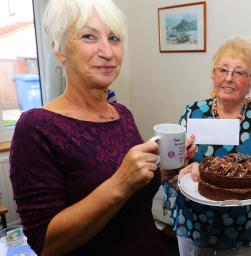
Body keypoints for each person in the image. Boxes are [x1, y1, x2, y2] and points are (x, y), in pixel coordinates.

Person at [9, 1, 194, 255]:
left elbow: (136, 189)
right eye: (89, 36)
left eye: (114, 38)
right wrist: (120, 183)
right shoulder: (37, 127)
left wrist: (168, 169)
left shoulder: (122, 114)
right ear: (58, 48)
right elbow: (46, 243)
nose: (107, 52)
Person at [163, 38, 251, 256]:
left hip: (242, 228)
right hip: (194, 222)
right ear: (213, 73)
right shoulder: (193, 112)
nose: (228, 78)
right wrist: (179, 165)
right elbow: (173, 168)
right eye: (223, 69)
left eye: (239, 72)